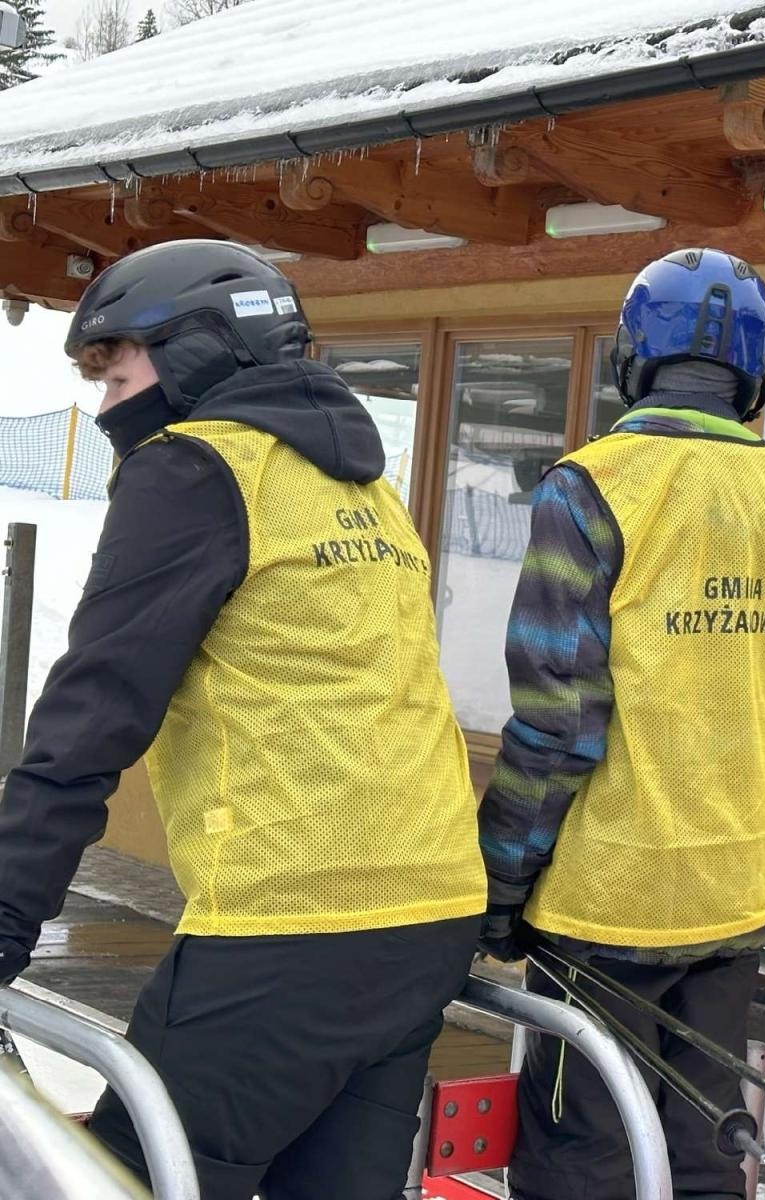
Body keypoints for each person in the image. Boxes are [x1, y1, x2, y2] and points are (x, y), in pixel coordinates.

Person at [0, 240, 486, 1198]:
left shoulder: (193, 467)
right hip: (426, 918)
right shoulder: (362, 489)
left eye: (118, 373)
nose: (106, 409)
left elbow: (94, 710)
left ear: (193, 356)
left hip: (288, 928)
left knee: (125, 1181)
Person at [477, 247, 765, 1200]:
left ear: (634, 355)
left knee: (581, 1150)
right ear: (751, 370)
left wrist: (501, 879)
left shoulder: (590, 485)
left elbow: (558, 718)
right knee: (706, 1144)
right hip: (739, 886)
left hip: (611, 896)